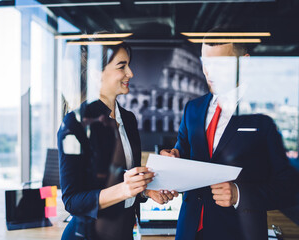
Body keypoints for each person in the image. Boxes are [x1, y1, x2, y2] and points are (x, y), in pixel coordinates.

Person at [161, 27, 296, 240]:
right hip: (189, 230)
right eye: (205, 62)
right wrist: (172, 159)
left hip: (239, 232)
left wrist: (239, 194)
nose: (208, 72)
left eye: (219, 65)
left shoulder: (267, 115)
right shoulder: (193, 109)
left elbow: (289, 187)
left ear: (245, 62)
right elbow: (183, 152)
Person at [58, 38, 177, 240]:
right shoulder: (74, 123)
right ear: (97, 73)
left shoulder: (128, 119)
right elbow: (72, 201)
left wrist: (145, 191)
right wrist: (126, 188)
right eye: (122, 66)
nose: (130, 73)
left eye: (128, 65)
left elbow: (122, 178)